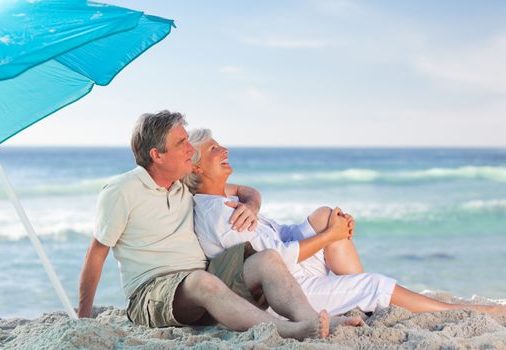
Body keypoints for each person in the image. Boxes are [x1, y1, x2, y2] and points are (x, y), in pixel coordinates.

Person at [77, 110, 363, 340]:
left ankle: (311, 320)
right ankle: (288, 330)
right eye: (181, 144)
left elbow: (247, 191)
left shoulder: (183, 186)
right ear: (157, 155)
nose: (191, 150)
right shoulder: (121, 190)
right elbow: (97, 253)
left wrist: (251, 207)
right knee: (202, 281)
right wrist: (84, 317)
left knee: (268, 259)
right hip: (153, 294)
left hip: (204, 284)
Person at [184, 128, 506, 317]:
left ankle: (362, 301)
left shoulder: (220, 196)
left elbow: (250, 195)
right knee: (375, 283)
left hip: (291, 266)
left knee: (325, 214)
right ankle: (461, 311)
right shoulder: (219, 215)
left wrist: (254, 203)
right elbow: (276, 261)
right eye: (214, 149)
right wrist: (330, 236)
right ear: (196, 169)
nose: (224, 149)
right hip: (286, 289)